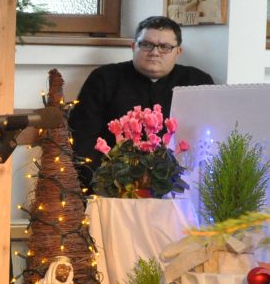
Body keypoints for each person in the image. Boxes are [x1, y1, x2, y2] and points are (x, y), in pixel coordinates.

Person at [69, 16, 213, 186]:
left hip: (181, 184)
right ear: (133, 46)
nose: (155, 52)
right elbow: (82, 138)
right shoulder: (104, 79)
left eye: (165, 47)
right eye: (146, 44)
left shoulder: (198, 82)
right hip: (113, 184)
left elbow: (210, 139)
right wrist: (104, 183)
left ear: (178, 52)